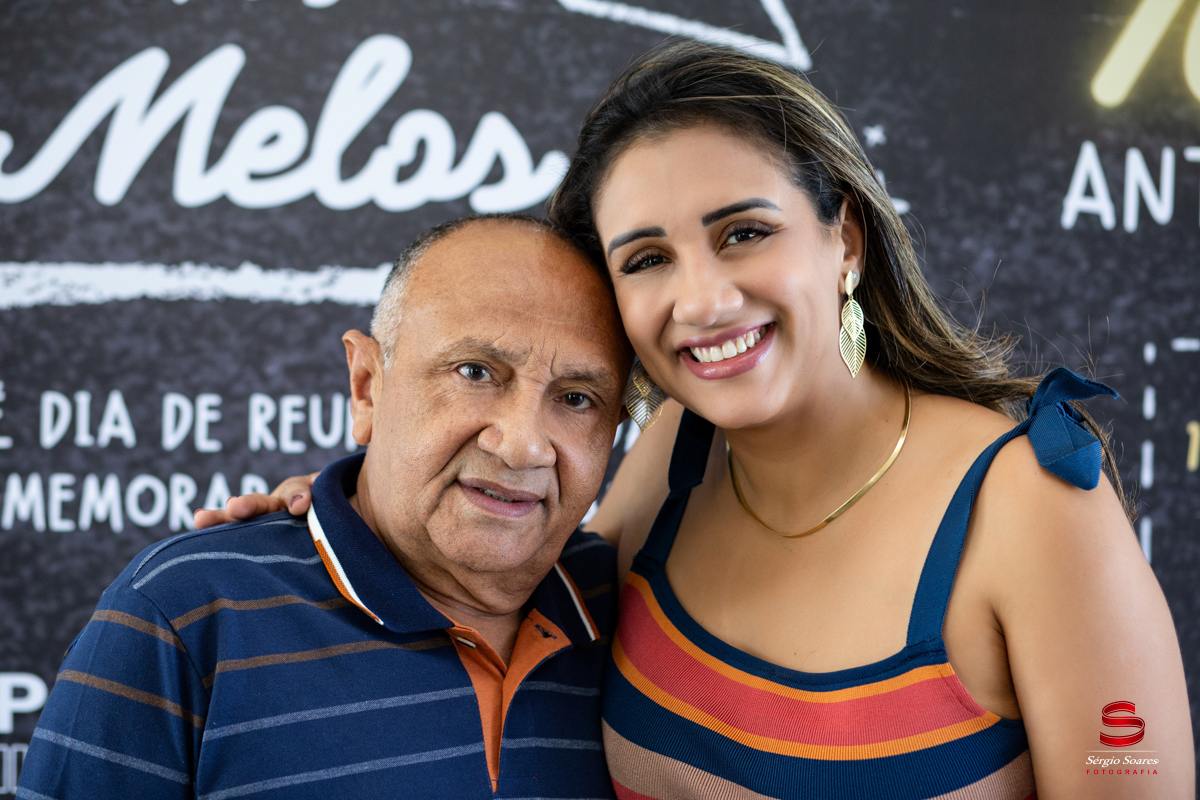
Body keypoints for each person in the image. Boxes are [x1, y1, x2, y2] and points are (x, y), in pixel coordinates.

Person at [207, 44, 1194, 799]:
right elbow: (500, 585)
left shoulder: (1034, 503)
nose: (705, 300)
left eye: (744, 233)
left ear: (845, 240)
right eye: (647, 259)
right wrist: (346, 517)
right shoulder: (675, 455)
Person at [18, 214, 631, 800]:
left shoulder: (633, 608)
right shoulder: (183, 614)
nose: (523, 445)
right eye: (474, 372)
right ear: (367, 387)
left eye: (577, 398)